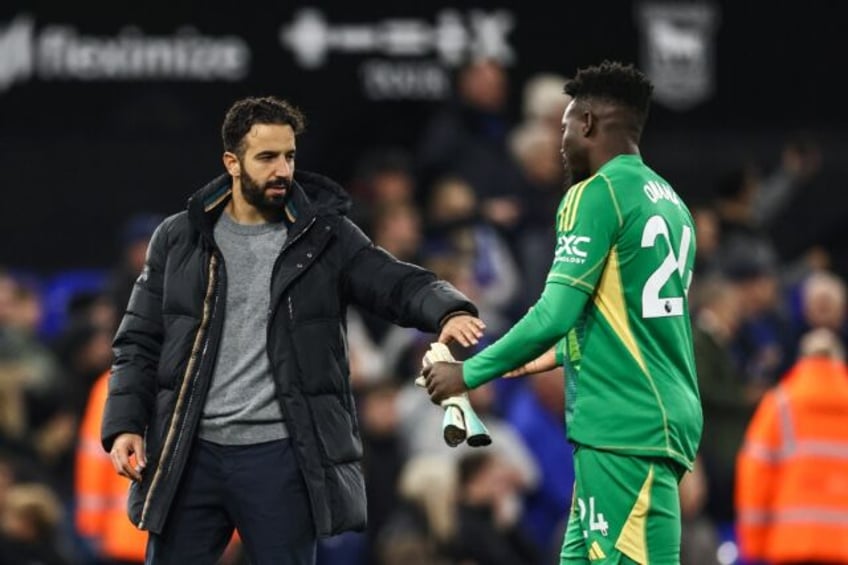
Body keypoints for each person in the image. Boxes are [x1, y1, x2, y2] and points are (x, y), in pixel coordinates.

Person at [100, 96, 484, 565]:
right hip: (191, 455)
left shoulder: (326, 235)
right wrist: (123, 426)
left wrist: (446, 308)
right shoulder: (180, 238)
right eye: (267, 157)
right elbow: (138, 341)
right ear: (232, 162)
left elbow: (392, 281)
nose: (282, 169)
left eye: (289, 156)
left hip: (280, 457)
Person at [423, 61, 703, 563]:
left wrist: (468, 373)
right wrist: (530, 362)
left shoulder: (594, 194)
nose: (561, 142)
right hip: (651, 416)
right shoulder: (672, 203)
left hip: (622, 424)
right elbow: (617, 321)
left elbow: (553, 313)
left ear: (590, 124)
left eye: (566, 126)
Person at [735, 328, 848, 564]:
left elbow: (754, 475)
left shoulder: (779, 405)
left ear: (802, 359)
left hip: (791, 545)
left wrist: (754, 546)